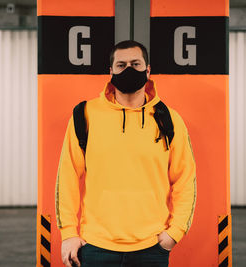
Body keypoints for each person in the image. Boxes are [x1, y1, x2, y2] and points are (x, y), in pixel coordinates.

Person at [55, 40, 197, 267]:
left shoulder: (169, 119)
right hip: (95, 247)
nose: (129, 69)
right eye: (121, 65)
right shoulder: (85, 115)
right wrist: (69, 234)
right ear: (110, 71)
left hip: (152, 248)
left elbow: (185, 179)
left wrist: (174, 234)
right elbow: (68, 176)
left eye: (135, 63)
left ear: (148, 70)